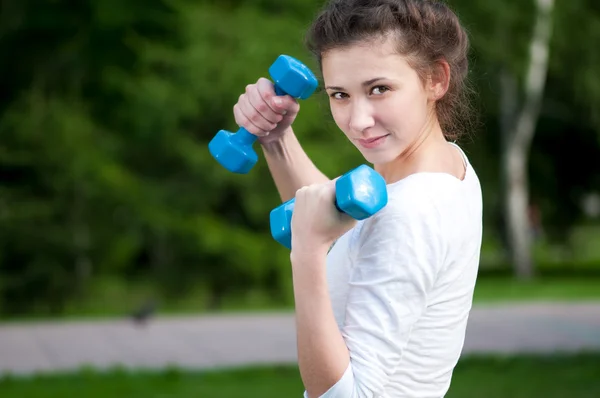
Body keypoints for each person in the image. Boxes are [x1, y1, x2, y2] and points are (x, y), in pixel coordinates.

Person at [232, 0, 483, 396]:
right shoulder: (447, 166)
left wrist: (308, 252)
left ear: (436, 78)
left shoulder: (409, 213)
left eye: (379, 89)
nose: (358, 120)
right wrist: (277, 138)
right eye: (340, 95)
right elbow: (353, 236)